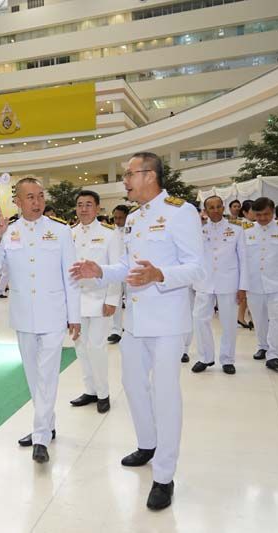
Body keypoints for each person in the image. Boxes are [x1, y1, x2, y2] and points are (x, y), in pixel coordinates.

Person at [70, 152, 204, 511]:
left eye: (129, 174)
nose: (125, 180)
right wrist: (100, 270)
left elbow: (197, 268)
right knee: (132, 385)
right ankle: (148, 444)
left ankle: (164, 476)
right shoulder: (133, 218)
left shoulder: (181, 212)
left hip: (168, 320)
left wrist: (160, 274)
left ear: (150, 175)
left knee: (165, 394)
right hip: (136, 321)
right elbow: (127, 268)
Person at [0, 177, 80, 465]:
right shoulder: (9, 231)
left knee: (48, 375)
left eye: (40, 196)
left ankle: (40, 437)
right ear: (18, 201)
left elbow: (71, 276)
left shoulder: (60, 231)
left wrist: (74, 316)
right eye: (30, 197)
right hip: (23, 315)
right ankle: (47, 425)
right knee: (33, 376)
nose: (37, 202)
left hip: (53, 313)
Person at [70, 190, 122, 413]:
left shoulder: (110, 234)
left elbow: (117, 269)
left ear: (98, 208)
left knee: (96, 347)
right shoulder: (69, 234)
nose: (84, 209)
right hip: (76, 301)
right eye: (80, 205)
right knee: (81, 347)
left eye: (89, 204)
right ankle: (90, 390)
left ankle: (103, 393)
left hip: (100, 299)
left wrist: (112, 299)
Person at [191, 195, 247, 375]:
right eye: (211, 207)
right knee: (200, 319)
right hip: (204, 282)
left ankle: (227, 359)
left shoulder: (236, 229)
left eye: (218, 207)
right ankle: (205, 357)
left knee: (229, 322)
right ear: (205, 211)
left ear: (223, 208)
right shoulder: (198, 231)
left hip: (228, 282)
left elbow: (244, 260)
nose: (215, 210)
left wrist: (243, 286)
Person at [242, 197, 278, 372]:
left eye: (266, 214)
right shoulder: (247, 231)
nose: (262, 218)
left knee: (276, 319)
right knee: (258, 318)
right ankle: (263, 346)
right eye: (258, 215)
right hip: (254, 283)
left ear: (273, 212)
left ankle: (275, 355)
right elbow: (242, 259)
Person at [108, 204, 129, 344]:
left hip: (130, 271)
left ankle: (129, 328)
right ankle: (116, 330)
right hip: (115, 270)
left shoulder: (133, 230)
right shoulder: (110, 232)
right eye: (115, 217)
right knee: (115, 300)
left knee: (130, 300)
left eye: (120, 218)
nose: (117, 221)